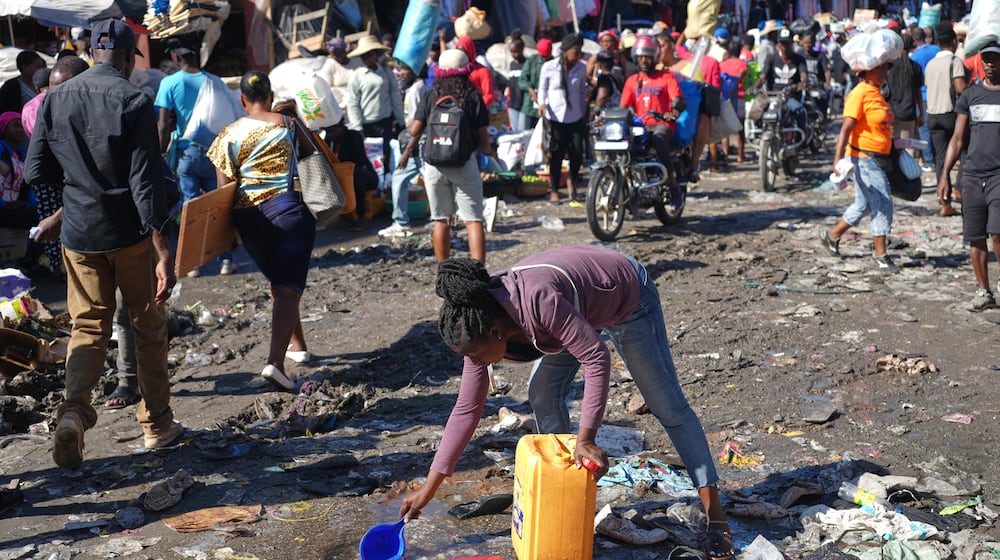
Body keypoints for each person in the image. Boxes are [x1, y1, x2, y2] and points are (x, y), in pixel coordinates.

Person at [399, 246, 736, 560]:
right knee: (542, 391)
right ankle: (563, 488)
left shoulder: (538, 301)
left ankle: (716, 516)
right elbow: (467, 408)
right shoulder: (479, 322)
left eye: (474, 354)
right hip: (577, 310)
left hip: (627, 294)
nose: (473, 361)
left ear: (497, 331)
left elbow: (596, 357)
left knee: (667, 406)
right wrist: (429, 489)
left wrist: (587, 438)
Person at [24, 19, 183, 470]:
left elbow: (37, 171)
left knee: (87, 327)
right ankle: (156, 424)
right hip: (129, 234)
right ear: (132, 57)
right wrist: (163, 249)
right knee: (147, 325)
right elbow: (146, 183)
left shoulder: (54, 97)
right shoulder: (134, 99)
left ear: (93, 52)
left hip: (80, 233)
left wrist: (79, 187)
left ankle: (74, 413)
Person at [207, 71, 316, 391]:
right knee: (287, 288)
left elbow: (222, 192)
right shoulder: (287, 125)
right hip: (288, 211)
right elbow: (311, 153)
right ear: (270, 96)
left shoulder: (227, 135)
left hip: (248, 219)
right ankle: (275, 364)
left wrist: (228, 237)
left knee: (280, 282)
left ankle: (298, 346)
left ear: (242, 100)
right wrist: (293, 115)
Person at [399, 49, 490, 263]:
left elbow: (413, 130)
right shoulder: (472, 96)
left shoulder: (431, 95)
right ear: (466, 70)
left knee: (441, 220)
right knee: (473, 220)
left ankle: (444, 272)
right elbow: (484, 140)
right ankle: (478, 273)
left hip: (434, 165)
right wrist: (488, 153)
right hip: (463, 164)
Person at [155, 39, 236, 276]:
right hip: (214, 154)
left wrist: (160, 153)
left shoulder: (169, 83)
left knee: (190, 207)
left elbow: (162, 124)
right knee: (219, 207)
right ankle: (226, 261)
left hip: (187, 154)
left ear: (176, 58)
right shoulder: (214, 81)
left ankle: (194, 264)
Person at [936, 42, 1000, 311]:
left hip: (998, 175)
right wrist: (944, 175)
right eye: (986, 59)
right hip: (972, 175)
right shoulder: (970, 96)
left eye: (995, 60)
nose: (990, 64)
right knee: (975, 237)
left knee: (997, 232)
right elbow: (958, 138)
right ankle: (983, 291)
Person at [820, 60, 899, 274]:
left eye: (886, 68)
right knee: (882, 202)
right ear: (866, 71)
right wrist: (837, 160)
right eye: (880, 69)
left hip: (879, 157)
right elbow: (845, 129)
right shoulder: (859, 93)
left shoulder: (877, 92)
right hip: (863, 157)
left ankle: (832, 236)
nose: (884, 72)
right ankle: (880, 255)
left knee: (864, 205)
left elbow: (878, 126)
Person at [24, 56, 91, 277]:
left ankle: (58, 263)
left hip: (51, 176)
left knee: (52, 221)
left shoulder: (33, 106)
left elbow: (33, 164)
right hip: (72, 179)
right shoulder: (85, 104)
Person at [346, 34, 405, 195]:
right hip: (366, 125)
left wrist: (401, 121)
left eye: (368, 55)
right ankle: (372, 191)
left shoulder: (386, 73)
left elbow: (395, 98)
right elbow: (353, 102)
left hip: (384, 122)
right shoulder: (357, 76)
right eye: (363, 56)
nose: (365, 58)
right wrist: (358, 127)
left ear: (375, 55)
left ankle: (385, 189)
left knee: (385, 157)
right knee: (367, 160)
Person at [621, 35, 685, 180]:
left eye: (648, 57)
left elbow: (677, 99)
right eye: (641, 57)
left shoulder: (667, 77)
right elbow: (622, 107)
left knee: (658, 139)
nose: (644, 60)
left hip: (662, 124)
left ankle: (671, 179)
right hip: (640, 125)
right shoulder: (631, 81)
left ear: (655, 58)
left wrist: (673, 112)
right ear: (635, 58)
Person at [379, 61, 428, 238]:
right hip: (417, 143)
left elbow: (419, 124)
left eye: (405, 69)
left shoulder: (417, 90)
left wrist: (407, 151)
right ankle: (401, 222)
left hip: (419, 144)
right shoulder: (417, 88)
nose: (401, 73)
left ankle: (401, 222)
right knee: (400, 179)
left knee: (436, 182)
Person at [924, 21, 968, 217]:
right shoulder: (954, 61)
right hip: (950, 115)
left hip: (932, 116)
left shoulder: (931, 64)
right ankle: (960, 189)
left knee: (941, 159)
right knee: (965, 152)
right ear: (952, 43)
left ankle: (945, 202)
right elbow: (960, 88)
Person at [538, 34, 587, 202]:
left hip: (575, 115)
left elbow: (581, 90)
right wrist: (542, 104)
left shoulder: (581, 67)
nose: (578, 55)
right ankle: (554, 188)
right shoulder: (549, 67)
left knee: (577, 152)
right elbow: (542, 89)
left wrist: (584, 111)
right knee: (556, 153)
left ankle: (572, 178)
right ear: (565, 52)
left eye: (580, 52)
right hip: (555, 116)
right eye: (575, 52)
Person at [757, 29, 808, 139]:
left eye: (787, 43)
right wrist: (755, 87)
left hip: (789, 96)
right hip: (772, 96)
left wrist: (801, 84)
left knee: (799, 111)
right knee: (755, 111)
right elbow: (762, 77)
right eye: (782, 43)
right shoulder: (771, 58)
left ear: (792, 44)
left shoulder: (799, 60)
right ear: (778, 44)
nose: (784, 46)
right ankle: (757, 135)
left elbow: (804, 76)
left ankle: (801, 140)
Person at [886, 34, 924, 162]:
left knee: (889, 148)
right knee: (907, 150)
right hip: (909, 113)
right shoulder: (915, 67)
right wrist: (921, 114)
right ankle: (906, 177)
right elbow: (918, 93)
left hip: (891, 112)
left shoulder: (889, 68)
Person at [719, 41, 748, 162]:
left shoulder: (722, 65)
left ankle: (725, 155)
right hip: (739, 96)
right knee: (740, 128)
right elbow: (742, 77)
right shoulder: (743, 64)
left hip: (724, 98)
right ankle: (741, 155)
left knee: (725, 128)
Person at [519, 38, 552, 132]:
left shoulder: (554, 63)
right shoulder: (532, 60)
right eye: (543, 56)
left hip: (547, 108)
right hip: (530, 105)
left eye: (546, 57)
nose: (544, 59)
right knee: (526, 133)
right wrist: (531, 91)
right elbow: (522, 80)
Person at [318, 37, 360, 110]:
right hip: (341, 102)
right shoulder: (330, 64)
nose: (335, 58)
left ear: (344, 51)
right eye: (333, 55)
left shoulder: (357, 61)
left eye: (338, 55)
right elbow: (326, 88)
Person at [455, 35, 497, 108]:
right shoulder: (455, 70)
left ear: (470, 51)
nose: (462, 55)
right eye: (459, 52)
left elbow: (488, 96)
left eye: (464, 52)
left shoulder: (482, 71)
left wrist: (475, 108)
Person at [505, 31, 529, 132]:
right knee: (514, 133)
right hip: (512, 105)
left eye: (516, 51)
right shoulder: (511, 64)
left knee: (522, 133)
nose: (513, 54)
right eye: (511, 52)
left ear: (522, 49)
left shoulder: (527, 64)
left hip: (524, 105)